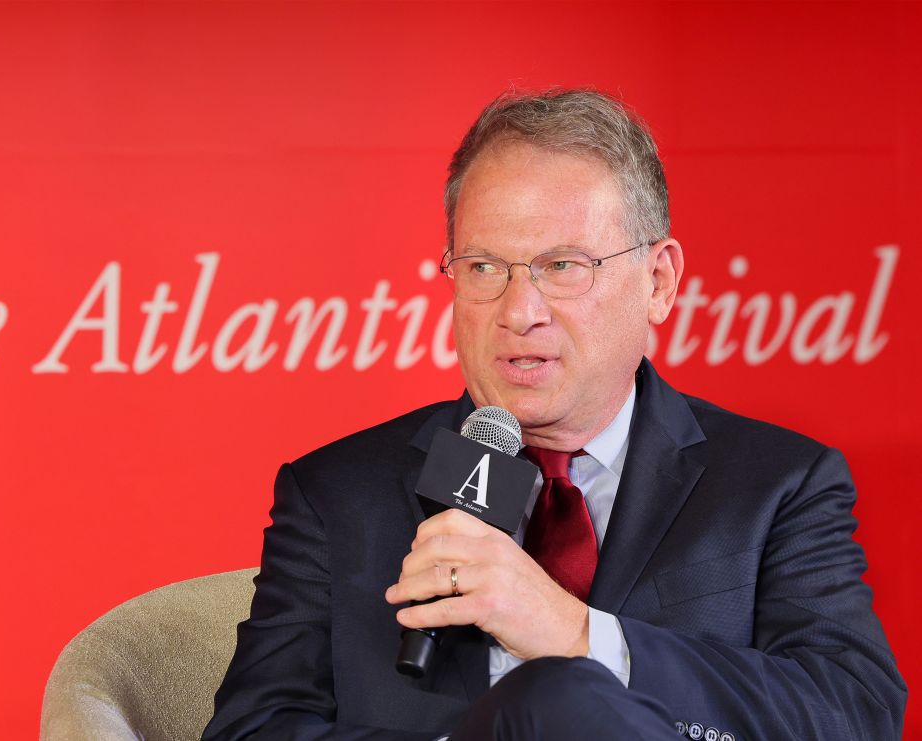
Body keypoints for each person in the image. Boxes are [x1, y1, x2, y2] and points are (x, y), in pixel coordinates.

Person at [202, 89, 906, 740]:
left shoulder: (778, 483)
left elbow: (852, 711)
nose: (518, 312)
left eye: (563, 266)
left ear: (657, 283)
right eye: (483, 267)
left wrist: (576, 634)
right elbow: (252, 729)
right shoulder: (336, 493)